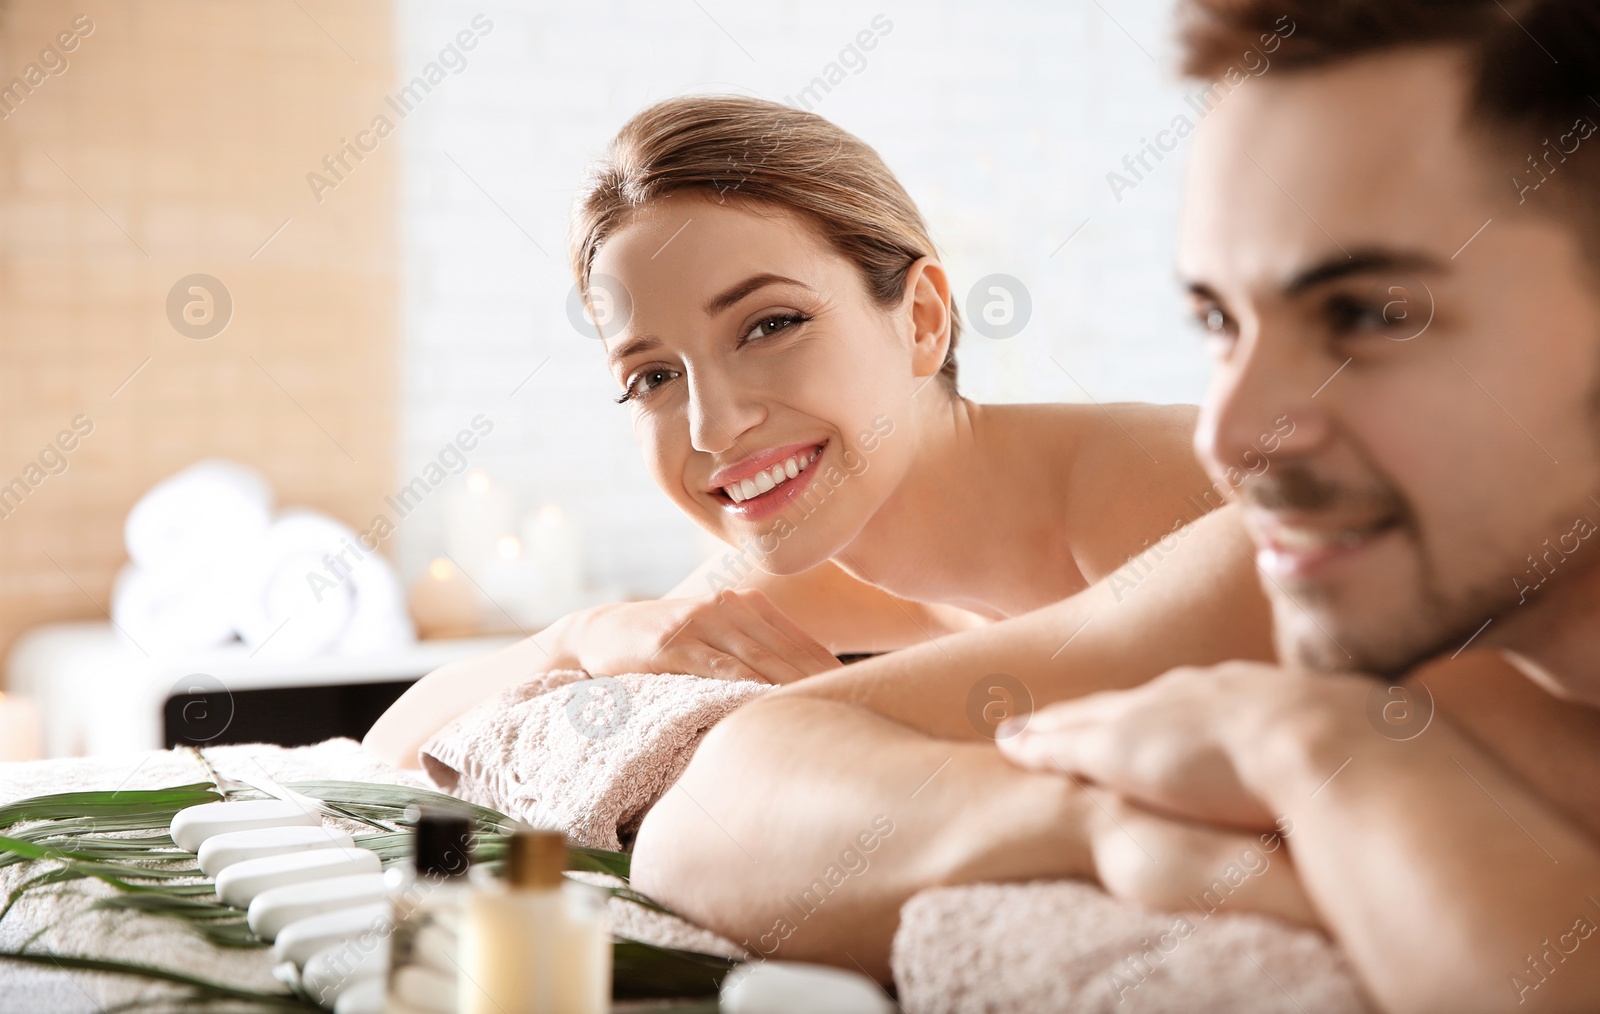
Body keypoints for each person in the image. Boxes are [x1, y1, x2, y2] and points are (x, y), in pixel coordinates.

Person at [632, 2, 1600, 1007]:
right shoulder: (1305, 578)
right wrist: (1094, 824)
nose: (1229, 437)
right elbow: (713, 817)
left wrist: (1318, 746)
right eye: (1220, 321)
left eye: (1365, 314)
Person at [365, 96, 1277, 770]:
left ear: (921, 320)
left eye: (769, 326)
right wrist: (580, 636)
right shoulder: (800, 575)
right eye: (651, 377)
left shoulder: (1165, 484)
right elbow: (387, 752)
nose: (715, 423)